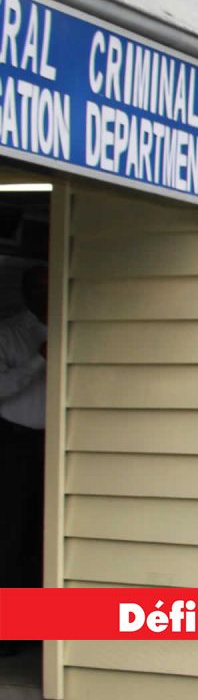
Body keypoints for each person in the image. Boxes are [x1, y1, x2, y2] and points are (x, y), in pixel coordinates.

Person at [0, 265, 48, 656]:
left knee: (42, 534)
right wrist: (38, 360)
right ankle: (8, 634)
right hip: (15, 441)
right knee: (11, 534)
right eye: (39, 288)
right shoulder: (10, 334)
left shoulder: (69, 324)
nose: (46, 295)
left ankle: (36, 626)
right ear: (27, 291)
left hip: (55, 443)